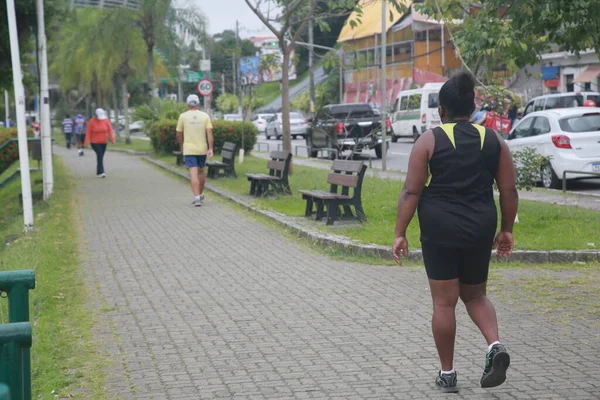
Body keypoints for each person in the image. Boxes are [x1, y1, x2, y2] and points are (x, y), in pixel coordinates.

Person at [392, 72, 518, 393]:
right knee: (475, 294)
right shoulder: (493, 140)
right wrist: (505, 229)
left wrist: (400, 232)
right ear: (473, 107)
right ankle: (495, 345)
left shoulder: (429, 139)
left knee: (444, 303)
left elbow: (411, 191)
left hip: (439, 226)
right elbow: (508, 190)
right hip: (480, 224)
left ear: (441, 111)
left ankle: (447, 374)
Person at [176, 94, 214, 207]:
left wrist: (181, 146)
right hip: (202, 149)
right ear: (198, 104)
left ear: (188, 105)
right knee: (201, 171)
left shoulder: (182, 116)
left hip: (189, 149)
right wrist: (210, 148)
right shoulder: (205, 116)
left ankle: (197, 198)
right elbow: (209, 134)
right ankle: (200, 194)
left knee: (193, 172)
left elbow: (178, 134)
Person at [84, 108, 115, 178]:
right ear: (95, 115)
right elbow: (88, 132)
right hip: (94, 142)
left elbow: (110, 130)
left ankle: (98, 172)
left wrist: (112, 139)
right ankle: (102, 172)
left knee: (100, 157)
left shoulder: (106, 120)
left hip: (104, 142)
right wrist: (86, 142)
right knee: (100, 155)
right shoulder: (91, 122)